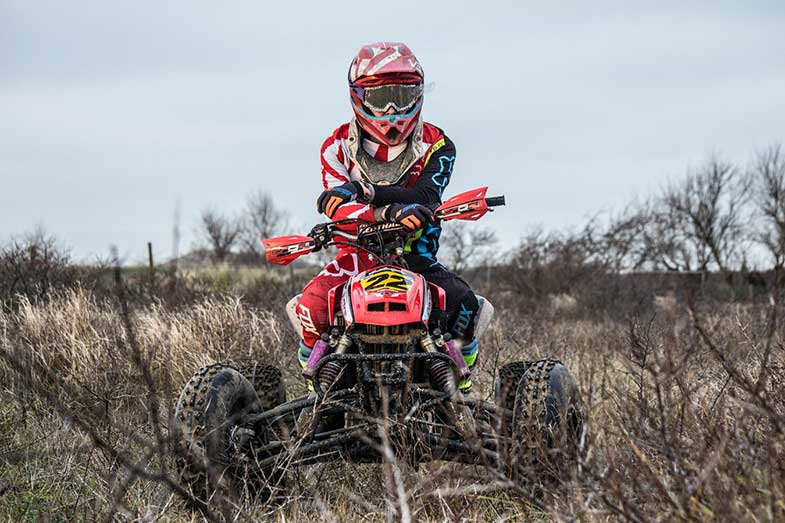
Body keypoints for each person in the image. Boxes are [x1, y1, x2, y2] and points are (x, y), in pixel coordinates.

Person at [295, 42, 479, 393]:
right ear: (359, 97)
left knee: (464, 306)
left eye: (403, 94)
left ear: (419, 94)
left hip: (416, 258)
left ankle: (463, 393)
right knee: (312, 307)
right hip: (354, 258)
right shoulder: (335, 147)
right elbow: (337, 210)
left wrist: (362, 193)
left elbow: (425, 198)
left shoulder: (438, 144)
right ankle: (317, 395)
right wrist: (390, 210)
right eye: (381, 98)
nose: (392, 108)